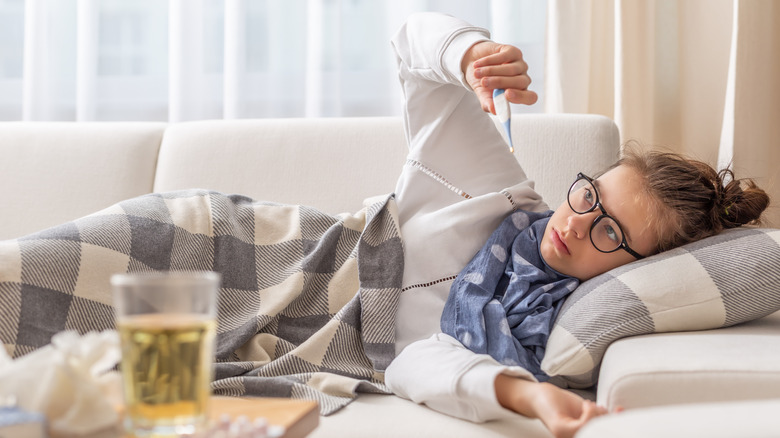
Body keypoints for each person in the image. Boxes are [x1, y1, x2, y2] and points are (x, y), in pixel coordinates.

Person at [384, 12, 769, 438]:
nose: (575, 226)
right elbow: (409, 40)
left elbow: (410, 363)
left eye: (610, 232)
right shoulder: (499, 195)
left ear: (633, 267)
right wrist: (474, 56)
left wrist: (529, 396)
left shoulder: (548, 333)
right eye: (590, 196)